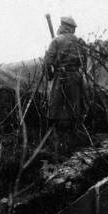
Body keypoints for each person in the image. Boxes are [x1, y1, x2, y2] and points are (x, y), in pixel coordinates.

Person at [43, 15, 87, 154]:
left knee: (55, 107)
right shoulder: (79, 41)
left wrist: (49, 76)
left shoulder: (56, 40)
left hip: (61, 76)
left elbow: (47, 61)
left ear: (62, 26)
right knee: (75, 107)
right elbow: (85, 60)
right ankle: (75, 139)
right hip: (76, 76)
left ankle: (56, 140)